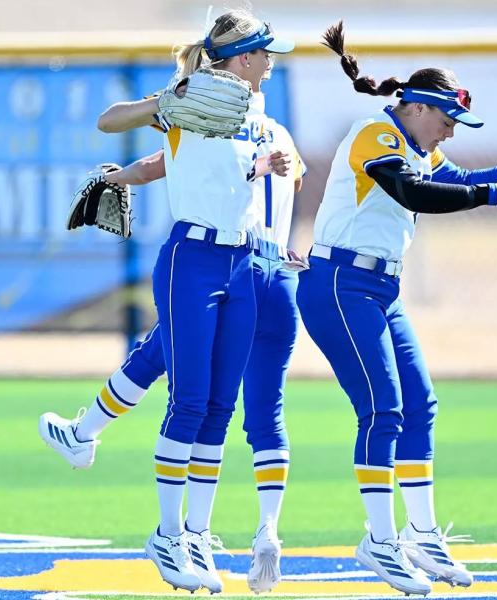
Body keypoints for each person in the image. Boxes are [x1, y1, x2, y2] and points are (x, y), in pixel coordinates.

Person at [295, 22, 497, 596]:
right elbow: (414, 193)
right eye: (444, 122)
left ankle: (420, 535)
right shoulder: (377, 134)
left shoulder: (415, 144)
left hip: (376, 290)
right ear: (415, 107)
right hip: (337, 285)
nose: (447, 135)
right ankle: (380, 542)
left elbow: (462, 177)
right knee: (382, 410)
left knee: (420, 405)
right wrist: (493, 195)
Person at [59, 9, 294, 594]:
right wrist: (164, 103)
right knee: (188, 399)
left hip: (242, 261)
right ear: (244, 57)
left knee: (219, 406)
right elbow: (109, 120)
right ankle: (165, 535)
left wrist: (264, 165)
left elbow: (204, 171)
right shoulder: (190, 98)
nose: (271, 62)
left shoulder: (259, 115)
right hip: (191, 259)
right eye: (266, 53)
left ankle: (195, 532)